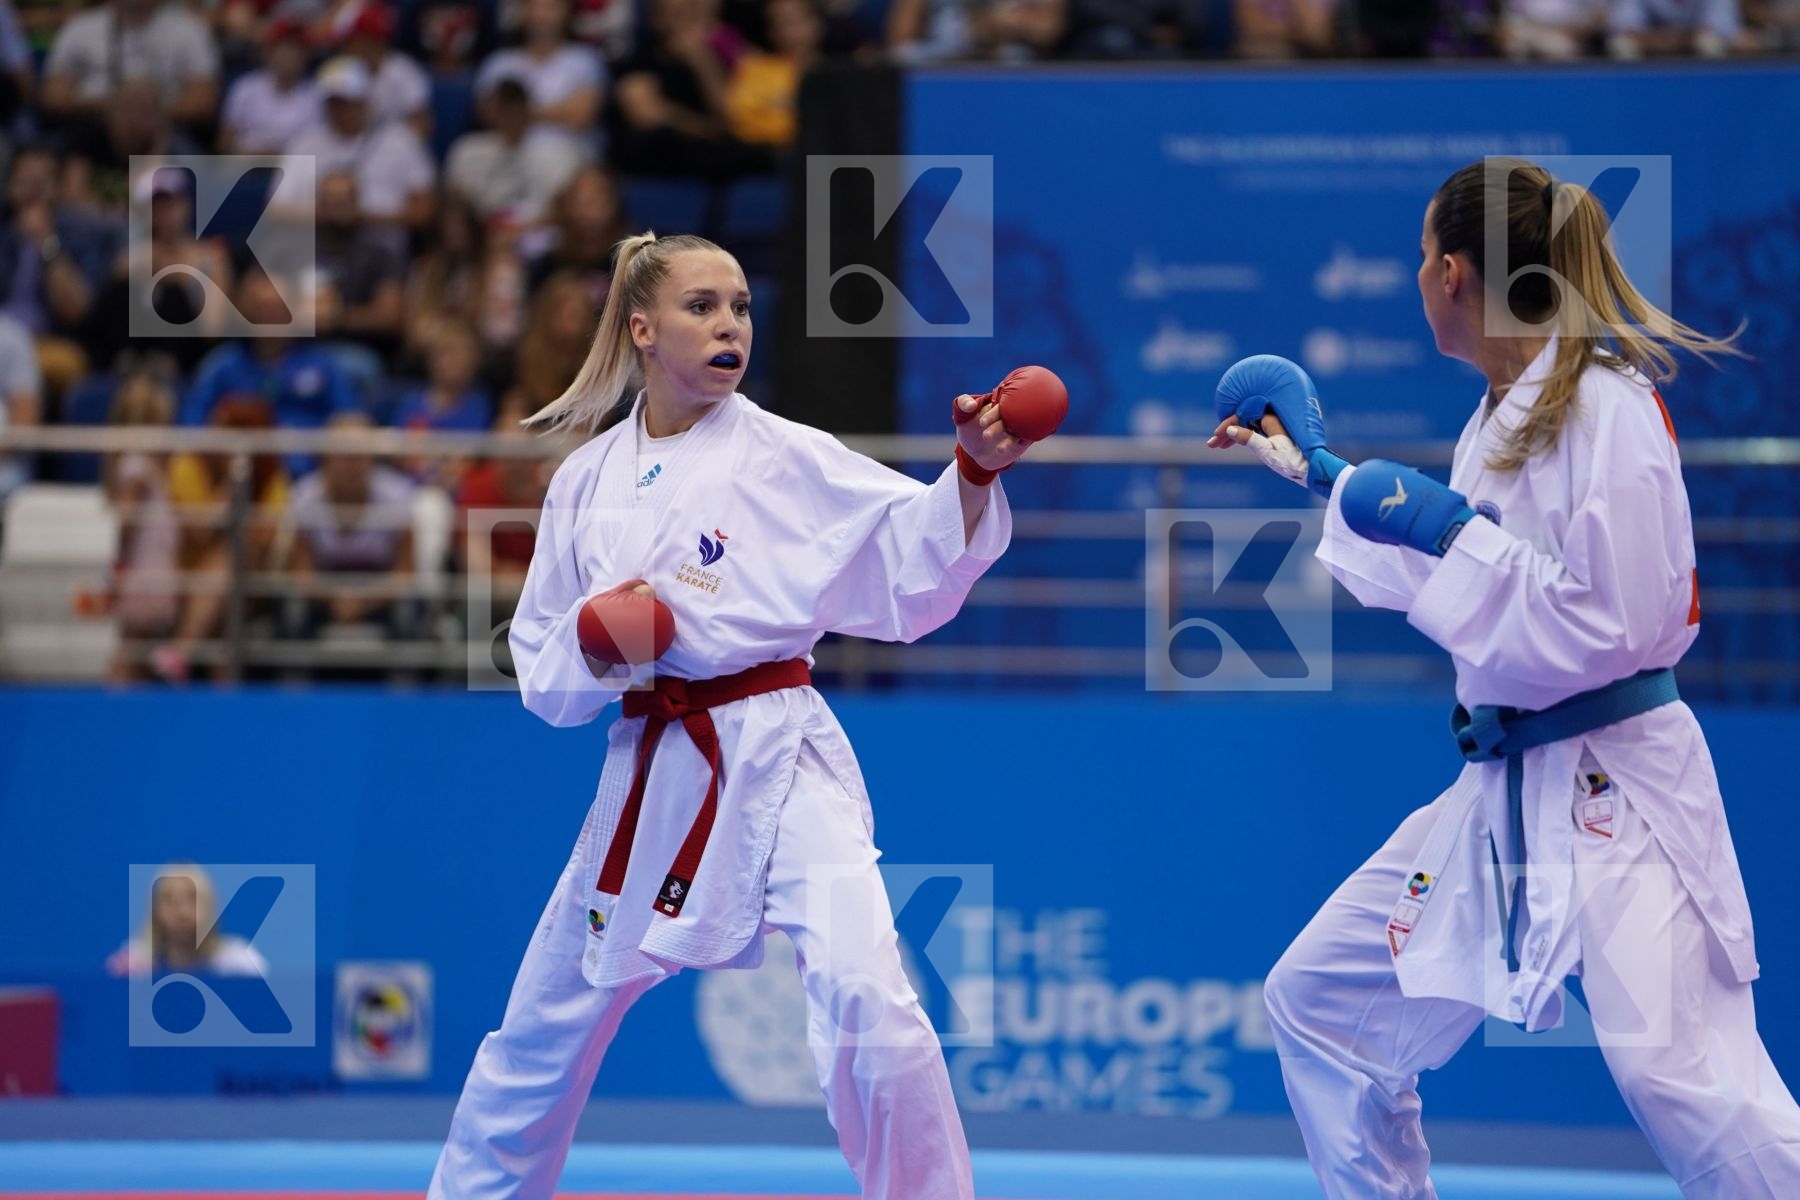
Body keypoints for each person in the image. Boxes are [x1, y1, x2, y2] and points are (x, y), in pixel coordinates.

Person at [1211, 157, 1800, 1198]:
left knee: (1689, 1084)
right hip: (1504, 788)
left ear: (1449, 272)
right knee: (1325, 1004)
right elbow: (1463, 583)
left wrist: (1440, 527)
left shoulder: (1605, 405)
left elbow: (1618, 623)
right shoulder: (1498, 418)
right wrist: (1328, 480)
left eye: (1418, 260)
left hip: (1616, 784)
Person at [429, 232, 1031, 1200]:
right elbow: (542, 670)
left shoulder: (786, 455)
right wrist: (596, 647)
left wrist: (970, 472)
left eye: (742, 307)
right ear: (642, 330)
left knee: (869, 990)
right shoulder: (585, 480)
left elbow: (913, 562)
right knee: (545, 1022)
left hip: (777, 748)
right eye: (702, 306)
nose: (729, 326)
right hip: (651, 763)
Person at [106, 863, 270, 976]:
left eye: (193, 899)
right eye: (169, 901)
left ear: (210, 906)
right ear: (155, 910)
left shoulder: (238, 963)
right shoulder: (133, 965)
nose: (182, 911)